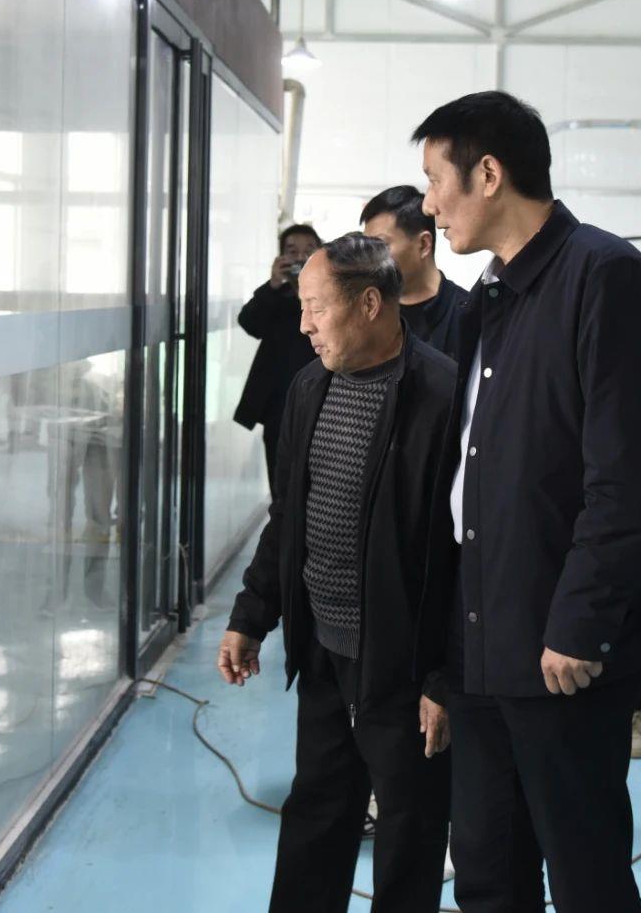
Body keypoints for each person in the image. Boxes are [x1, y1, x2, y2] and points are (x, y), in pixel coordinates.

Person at [414, 91, 641, 912]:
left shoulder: (604, 277)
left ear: (488, 174)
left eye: (435, 179)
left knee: (584, 870)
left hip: (560, 644)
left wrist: (581, 621)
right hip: (483, 634)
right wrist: (446, 659)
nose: (429, 204)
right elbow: (471, 474)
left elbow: (633, 476)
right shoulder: (490, 297)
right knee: (487, 866)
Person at [220, 233, 457, 913]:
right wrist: (251, 615)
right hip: (324, 650)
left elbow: (464, 555)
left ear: (370, 304)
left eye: (317, 309)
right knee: (317, 813)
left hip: (404, 666)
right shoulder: (309, 386)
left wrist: (445, 677)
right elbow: (289, 515)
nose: (305, 325)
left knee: (409, 833)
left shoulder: (441, 395)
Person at [234, 224, 323, 484]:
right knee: (280, 478)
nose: (301, 257)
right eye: (292, 251)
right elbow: (249, 323)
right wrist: (274, 283)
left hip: (320, 399)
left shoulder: (331, 296)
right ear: (281, 257)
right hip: (279, 404)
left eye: (309, 250)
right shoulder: (275, 296)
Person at [361, 185, 468, 358]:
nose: (370, 257)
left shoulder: (467, 314)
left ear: (424, 244)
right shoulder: (369, 311)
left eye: (380, 245)